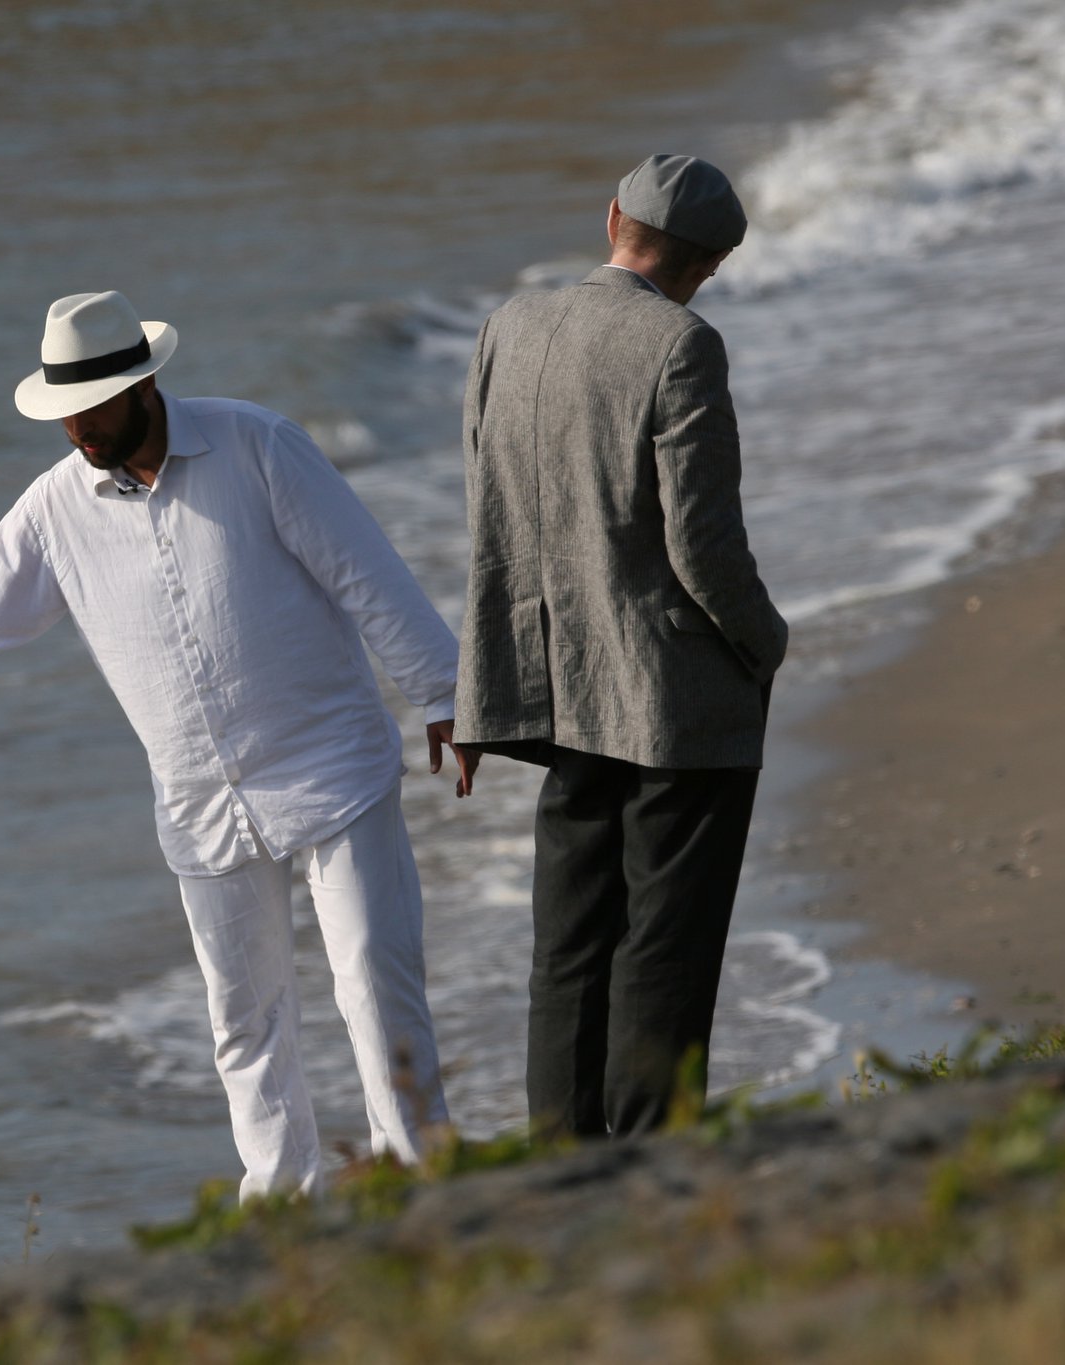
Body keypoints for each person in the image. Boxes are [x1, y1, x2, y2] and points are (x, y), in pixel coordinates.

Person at [0, 290, 474, 1199]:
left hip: (332, 771)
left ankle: (425, 1194)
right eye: (66, 412)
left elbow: (364, 568)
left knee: (375, 986)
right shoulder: (53, 512)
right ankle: (279, 1211)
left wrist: (442, 691)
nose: (79, 427)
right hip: (202, 804)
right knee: (244, 1021)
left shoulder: (257, 445)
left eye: (95, 406)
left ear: (146, 386)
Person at [453, 155, 788, 1137]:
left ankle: (557, 1153)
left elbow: (485, 505)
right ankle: (650, 1154)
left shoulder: (506, 326)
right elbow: (703, 547)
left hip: (552, 679)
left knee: (566, 940)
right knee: (663, 941)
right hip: (668, 695)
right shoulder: (681, 345)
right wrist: (762, 642)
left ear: (611, 220)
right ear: (711, 263)